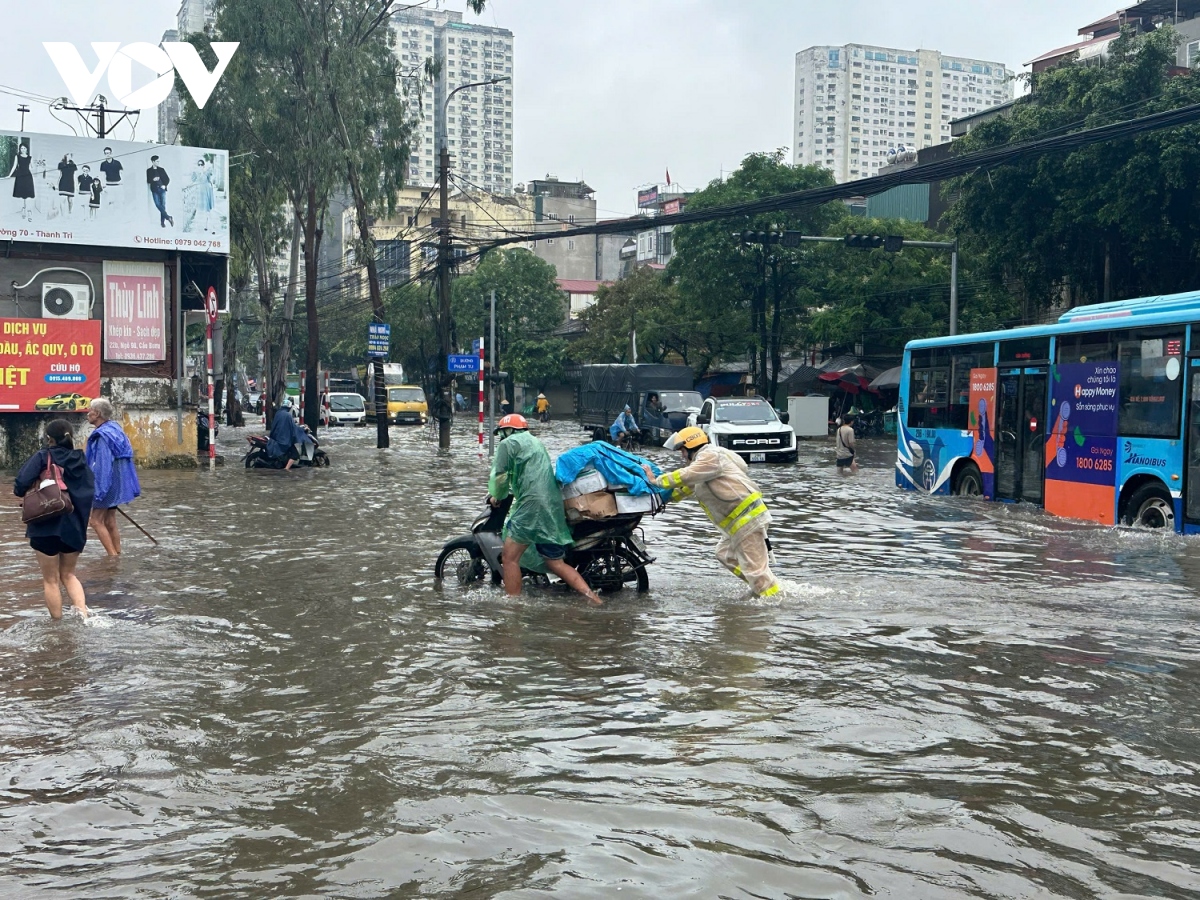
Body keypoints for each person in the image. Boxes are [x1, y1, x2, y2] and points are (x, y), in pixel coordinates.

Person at [644, 426, 780, 598]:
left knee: (755, 571)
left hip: (747, 520)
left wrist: (657, 481)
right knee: (724, 554)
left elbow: (685, 476)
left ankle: (774, 602)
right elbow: (687, 487)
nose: (682, 455)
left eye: (682, 451)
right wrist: (661, 501)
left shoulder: (709, 457)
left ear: (691, 446)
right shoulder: (707, 464)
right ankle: (761, 586)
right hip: (740, 523)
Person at [487, 413, 603, 605]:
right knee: (555, 562)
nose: (501, 436)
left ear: (509, 430)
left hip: (531, 506)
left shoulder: (508, 444)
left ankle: (512, 607)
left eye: (502, 432)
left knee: (509, 558)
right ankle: (594, 599)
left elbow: (499, 476)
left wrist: (496, 497)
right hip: (551, 505)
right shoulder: (535, 442)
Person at [13, 419, 95, 619]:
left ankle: (57, 627)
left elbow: (20, 486)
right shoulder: (81, 460)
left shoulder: (43, 456)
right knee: (68, 575)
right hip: (74, 527)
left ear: (49, 438)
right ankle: (83, 615)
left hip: (45, 525)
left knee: (50, 580)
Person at [85, 398, 142, 557]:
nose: (87, 413)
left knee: (95, 521)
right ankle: (118, 553)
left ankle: (112, 557)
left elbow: (103, 466)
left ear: (97, 414)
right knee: (109, 521)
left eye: (90, 410)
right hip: (118, 483)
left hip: (108, 483)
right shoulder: (115, 429)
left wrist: (99, 490)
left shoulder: (103, 436)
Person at [8, 141, 34, 221]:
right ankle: (24, 210)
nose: (22, 150)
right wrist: (9, 175)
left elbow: (31, 167)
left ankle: (28, 211)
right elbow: (14, 166)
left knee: (28, 195)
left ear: (27, 149)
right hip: (20, 176)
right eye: (21, 148)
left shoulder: (30, 157)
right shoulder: (17, 156)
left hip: (28, 176)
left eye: (24, 148)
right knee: (23, 195)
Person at [146, 155, 173, 227]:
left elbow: (167, 179)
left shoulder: (161, 169)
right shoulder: (149, 170)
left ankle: (162, 222)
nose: (158, 162)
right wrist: (153, 180)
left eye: (158, 161)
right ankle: (168, 217)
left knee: (163, 206)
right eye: (157, 161)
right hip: (154, 189)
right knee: (157, 204)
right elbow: (148, 180)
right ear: (153, 162)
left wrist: (165, 185)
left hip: (162, 189)